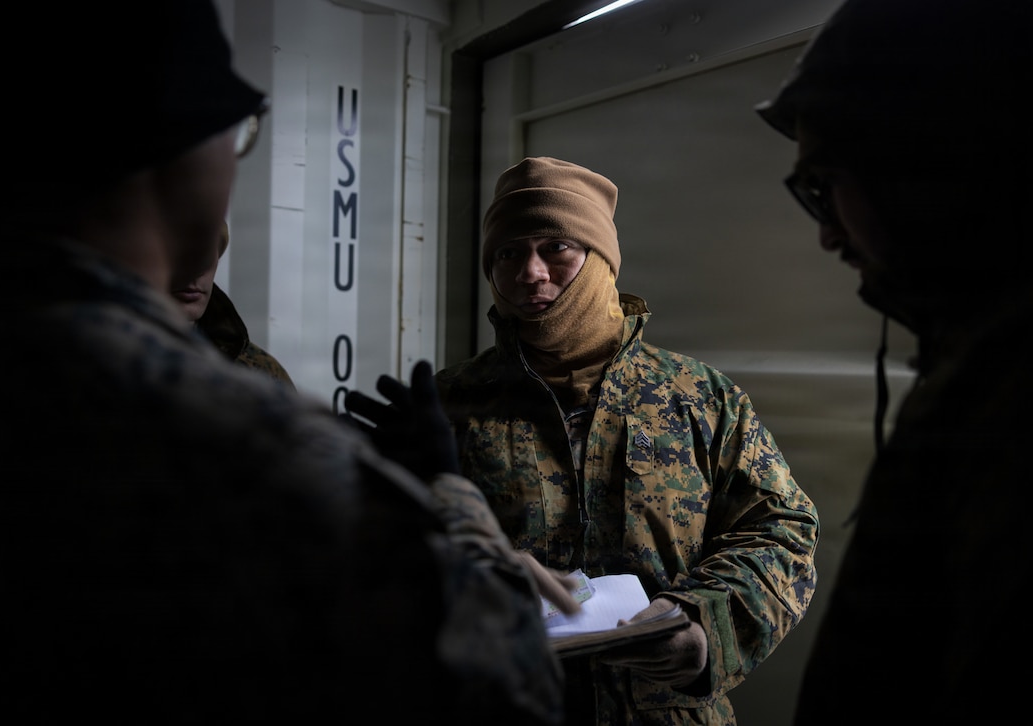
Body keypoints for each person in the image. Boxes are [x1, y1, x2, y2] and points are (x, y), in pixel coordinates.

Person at [0, 2, 577, 723]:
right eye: (240, 136)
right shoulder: (239, 440)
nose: (533, 274)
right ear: (188, 151)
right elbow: (506, 688)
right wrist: (448, 496)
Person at [416, 156, 819, 723]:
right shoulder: (447, 404)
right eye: (508, 253)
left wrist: (705, 626)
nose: (530, 272)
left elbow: (781, 530)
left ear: (601, 259)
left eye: (556, 247)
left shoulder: (698, 396)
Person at [754, 0, 1032, 722]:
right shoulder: (976, 367)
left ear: (920, 165)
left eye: (823, 185)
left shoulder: (1005, 394)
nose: (826, 234)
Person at [172, 220, 295, 386]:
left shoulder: (261, 374)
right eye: (180, 252)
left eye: (206, 252)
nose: (197, 269)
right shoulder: (126, 362)